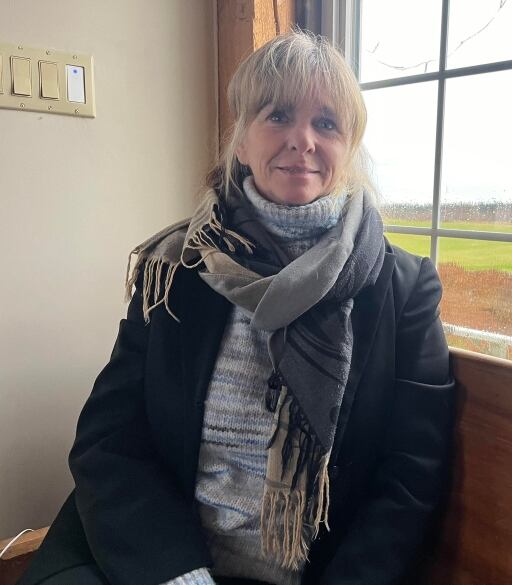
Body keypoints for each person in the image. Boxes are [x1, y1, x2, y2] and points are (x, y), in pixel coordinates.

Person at [20, 30, 455, 585]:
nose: (302, 139)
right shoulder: (178, 269)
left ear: (350, 148)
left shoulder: (405, 289)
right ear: (242, 142)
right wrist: (178, 575)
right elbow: (110, 437)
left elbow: (410, 478)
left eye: (327, 123)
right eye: (277, 115)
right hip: (155, 559)